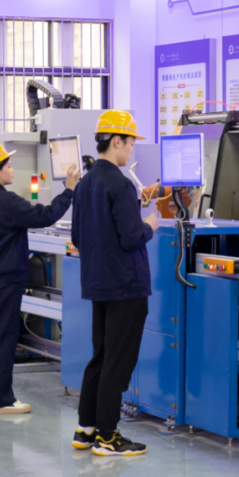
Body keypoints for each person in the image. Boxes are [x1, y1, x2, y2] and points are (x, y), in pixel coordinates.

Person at [70, 111, 159, 456]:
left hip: (99, 284)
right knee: (117, 362)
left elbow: (78, 236)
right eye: (131, 143)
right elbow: (131, 237)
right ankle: (108, 436)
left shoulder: (86, 183)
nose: (132, 150)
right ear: (117, 141)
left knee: (102, 356)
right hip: (126, 286)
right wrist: (150, 224)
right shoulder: (120, 184)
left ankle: (86, 429)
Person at [0, 141, 80, 415]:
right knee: (4, 337)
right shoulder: (5, 201)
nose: (13, 169)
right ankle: (2, 400)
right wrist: (69, 190)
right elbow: (46, 215)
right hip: (6, 279)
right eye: (9, 165)